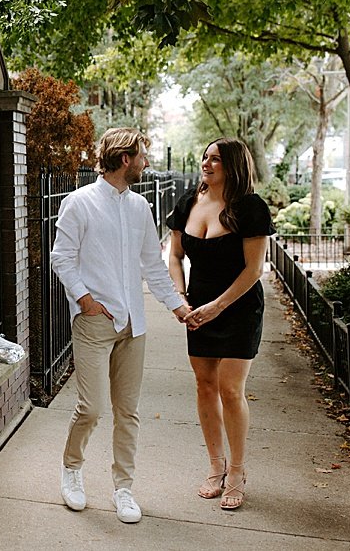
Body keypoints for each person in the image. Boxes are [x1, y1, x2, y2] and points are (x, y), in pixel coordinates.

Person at [50, 127, 190, 522]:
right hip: (95, 323)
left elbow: (152, 266)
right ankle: (72, 470)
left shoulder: (140, 207)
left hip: (134, 325)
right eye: (142, 156)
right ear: (125, 158)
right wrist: (85, 300)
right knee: (91, 408)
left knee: (128, 412)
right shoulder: (78, 203)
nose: (147, 164)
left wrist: (178, 307)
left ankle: (123, 489)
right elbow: (62, 257)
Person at [166, 138, 275, 511]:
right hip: (196, 309)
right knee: (204, 384)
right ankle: (216, 466)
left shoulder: (250, 208)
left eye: (216, 159)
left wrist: (218, 306)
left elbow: (254, 269)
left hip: (239, 308)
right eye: (205, 157)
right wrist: (180, 299)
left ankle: (238, 472)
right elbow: (175, 256)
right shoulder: (187, 203)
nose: (207, 163)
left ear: (232, 166)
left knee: (231, 390)